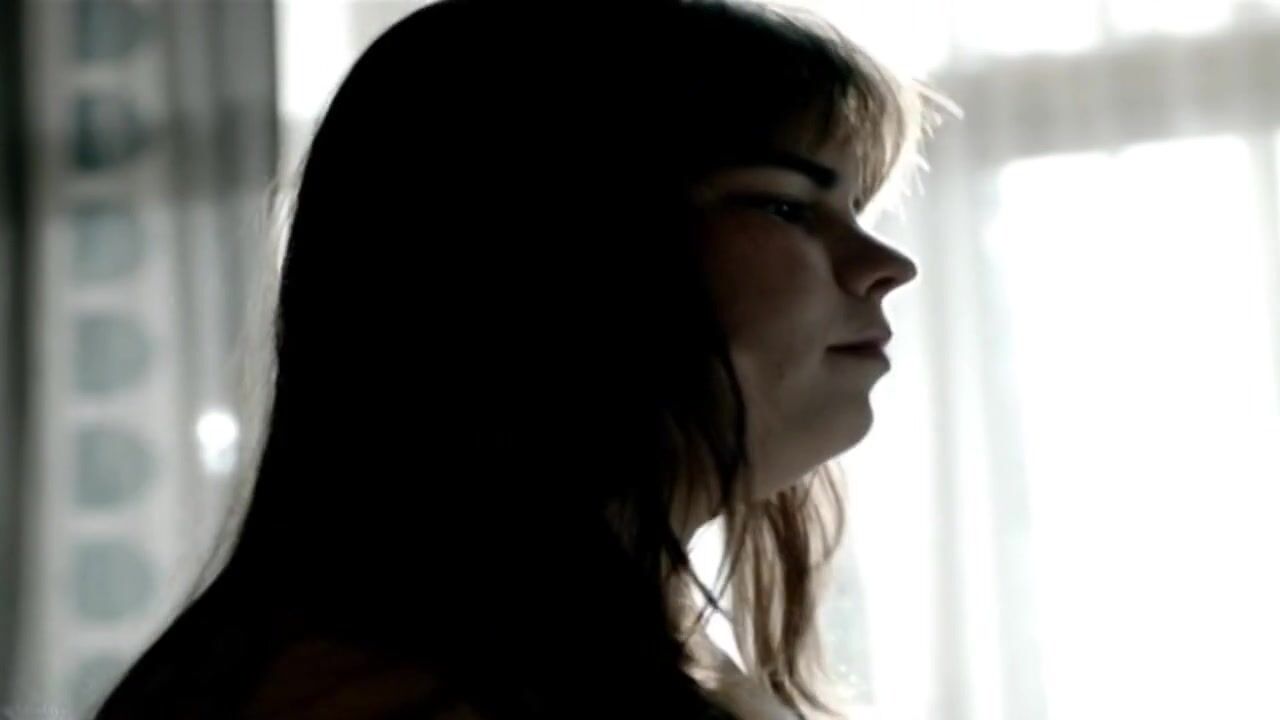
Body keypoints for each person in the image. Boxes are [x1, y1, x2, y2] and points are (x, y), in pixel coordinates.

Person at [90, 0, 953, 717]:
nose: (888, 266)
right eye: (787, 206)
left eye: (858, 207)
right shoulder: (378, 693)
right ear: (542, 251)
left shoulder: (602, 650)